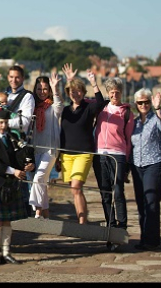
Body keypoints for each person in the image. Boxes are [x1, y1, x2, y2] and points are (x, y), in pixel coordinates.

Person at [0, 109, 33, 265]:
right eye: (1, 122)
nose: (3, 125)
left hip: (8, 185)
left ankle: (6, 252)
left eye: (6, 123)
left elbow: (15, 159)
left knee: (7, 220)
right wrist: (14, 171)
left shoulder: (11, 138)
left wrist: (27, 165)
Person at [59, 63, 105, 224]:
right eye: (72, 91)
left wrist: (93, 83)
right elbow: (62, 133)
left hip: (83, 153)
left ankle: (82, 222)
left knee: (76, 187)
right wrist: (58, 156)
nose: (75, 93)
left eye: (79, 90)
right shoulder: (65, 110)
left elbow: (101, 103)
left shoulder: (88, 108)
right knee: (75, 190)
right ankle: (83, 217)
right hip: (66, 155)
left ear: (83, 92)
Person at [0, 65, 35, 215]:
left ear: (22, 78)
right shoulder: (4, 95)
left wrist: (3, 124)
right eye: (11, 77)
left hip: (18, 144)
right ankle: (7, 214)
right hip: (2, 142)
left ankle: (25, 217)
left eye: (17, 77)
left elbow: (25, 122)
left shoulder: (28, 97)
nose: (14, 80)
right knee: (4, 178)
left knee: (20, 182)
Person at [92, 77, 134, 233]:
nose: (114, 95)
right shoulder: (101, 109)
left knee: (117, 191)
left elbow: (129, 139)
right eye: (111, 92)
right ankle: (111, 224)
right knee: (105, 192)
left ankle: (122, 225)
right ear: (108, 93)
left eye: (117, 92)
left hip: (118, 155)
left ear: (121, 93)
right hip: (100, 154)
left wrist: (127, 160)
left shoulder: (126, 112)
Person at [130, 88, 161, 251]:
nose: (144, 105)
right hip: (136, 165)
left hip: (154, 163)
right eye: (140, 102)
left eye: (146, 102)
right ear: (136, 104)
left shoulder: (156, 118)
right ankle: (144, 238)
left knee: (151, 200)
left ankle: (152, 240)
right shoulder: (134, 122)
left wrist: (158, 108)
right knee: (141, 202)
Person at [29, 71, 63, 219]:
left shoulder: (52, 107)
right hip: (35, 149)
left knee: (38, 178)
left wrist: (55, 88)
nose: (42, 92)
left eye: (44, 89)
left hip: (50, 149)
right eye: (39, 89)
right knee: (40, 182)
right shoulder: (32, 107)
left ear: (48, 90)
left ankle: (37, 213)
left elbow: (60, 104)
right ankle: (47, 215)